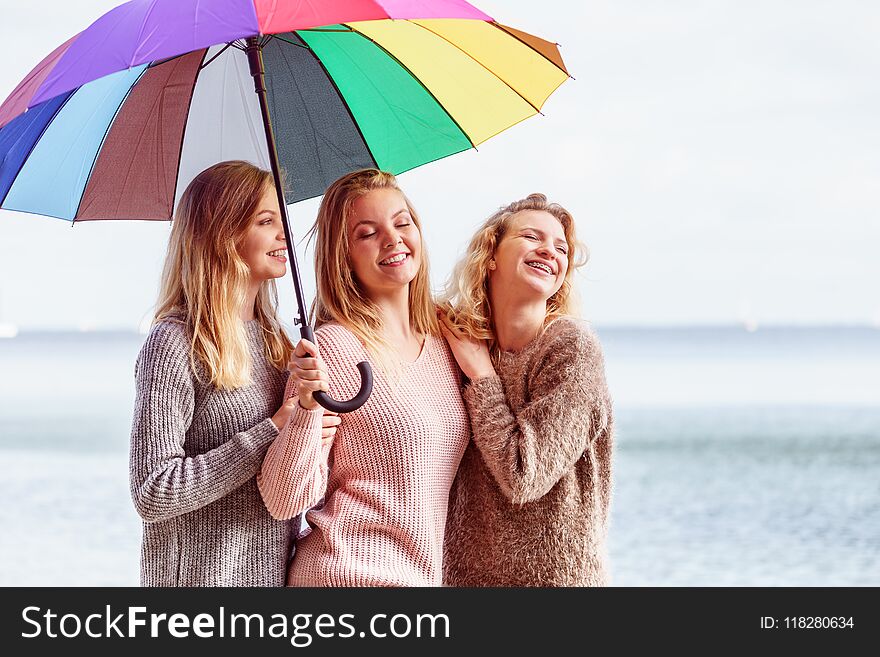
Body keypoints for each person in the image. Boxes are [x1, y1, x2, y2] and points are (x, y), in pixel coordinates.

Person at [258, 169, 470, 587]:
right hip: (344, 578)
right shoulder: (335, 348)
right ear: (344, 256)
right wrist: (304, 408)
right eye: (368, 233)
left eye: (402, 222)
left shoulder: (448, 343)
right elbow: (283, 499)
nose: (392, 239)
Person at [129, 160, 336, 586]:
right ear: (224, 235)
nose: (286, 234)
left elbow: (288, 482)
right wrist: (272, 429)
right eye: (266, 220)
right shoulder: (175, 343)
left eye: (283, 218)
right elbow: (152, 490)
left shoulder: (279, 343)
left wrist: (311, 428)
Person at [438, 193, 614, 587]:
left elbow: (525, 475)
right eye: (533, 237)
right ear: (491, 255)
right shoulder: (458, 342)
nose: (549, 251)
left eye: (561, 247)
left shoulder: (571, 348)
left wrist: (482, 378)